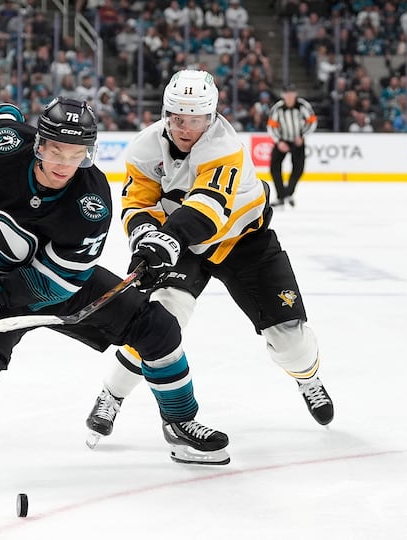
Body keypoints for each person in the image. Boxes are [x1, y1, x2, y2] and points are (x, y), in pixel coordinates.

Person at [0, 98, 230, 496]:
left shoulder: (91, 202)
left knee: (157, 329)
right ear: (38, 143)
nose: (63, 163)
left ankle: (179, 421)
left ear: (89, 152)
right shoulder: (5, 144)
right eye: (55, 150)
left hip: (56, 281)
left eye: (75, 153)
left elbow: (54, 286)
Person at [84, 70, 334, 448]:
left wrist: (163, 241)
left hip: (243, 240)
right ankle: (112, 395)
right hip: (183, 245)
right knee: (157, 323)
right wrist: (144, 241)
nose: (186, 128)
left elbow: (207, 210)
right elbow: (138, 204)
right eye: (179, 118)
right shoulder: (145, 148)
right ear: (167, 114)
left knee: (291, 343)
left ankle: (307, 377)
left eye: (196, 119)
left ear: (212, 117)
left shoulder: (224, 147)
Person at [267, 83, 316, 207]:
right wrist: (278, 141)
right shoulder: (277, 108)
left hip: (298, 140)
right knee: (274, 167)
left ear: (295, 94)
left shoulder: (303, 106)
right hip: (283, 140)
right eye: (287, 94)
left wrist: (303, 135)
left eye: (291, 93)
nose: (289, 96)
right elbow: (271, 126)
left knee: (298, 168)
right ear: (283, 95)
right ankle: (281, 196)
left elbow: (312, 121)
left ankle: (288, 192)